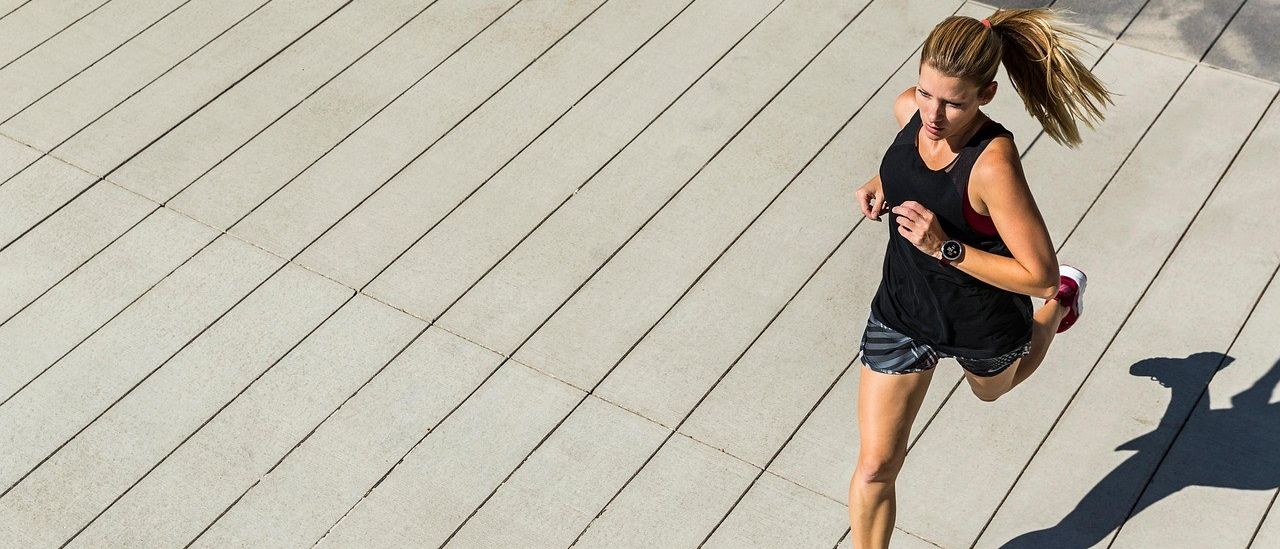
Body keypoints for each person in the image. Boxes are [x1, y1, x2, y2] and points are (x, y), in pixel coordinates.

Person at [847, 9, 1114, 548]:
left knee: (994, 391)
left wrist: (942, 245)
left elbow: (1035, 274)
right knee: (876, 466)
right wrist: (883, 178)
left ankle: (1065, 304)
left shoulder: (992, 164)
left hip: (981, 318)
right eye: (926, 92)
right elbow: (911, 155)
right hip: (904, 309)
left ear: (987, 95)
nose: (934, 114)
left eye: (953, 102)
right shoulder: (911, 112)